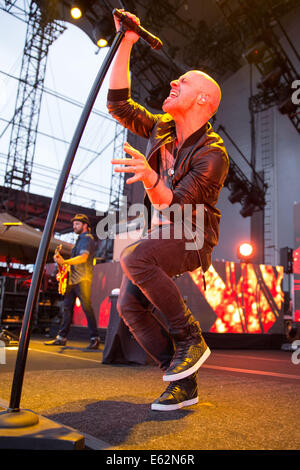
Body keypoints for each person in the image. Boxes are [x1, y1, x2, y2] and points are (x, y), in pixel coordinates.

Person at [108, 11, 229, 411]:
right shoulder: (162, 128)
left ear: (202, 100)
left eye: (185, 81)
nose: (174, 81)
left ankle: (190, 337)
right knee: (128, 305)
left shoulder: (213, 155)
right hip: (162, 231)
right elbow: (119, 105)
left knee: (135, 258)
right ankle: (180, 379)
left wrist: (148, 177)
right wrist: (126, 42)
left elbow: (175, 205)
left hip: (193, 235)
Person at [45, 214, 100, 350]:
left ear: (85, 225)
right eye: (74, 224)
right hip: (74, 280)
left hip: (82, 279)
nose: (74, 226)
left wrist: (64, 261)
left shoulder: (87, 239)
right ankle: (61, 337)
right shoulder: (80, 239)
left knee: (86, 308)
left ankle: (95, 338)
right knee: (67, 308)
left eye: (77, 224)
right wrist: (63, 264)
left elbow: (83, 258)